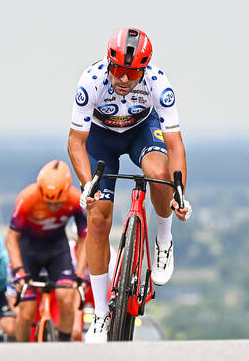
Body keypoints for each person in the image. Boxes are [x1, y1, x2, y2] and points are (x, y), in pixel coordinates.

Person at [67, 27, 192, 343]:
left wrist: (179, 194)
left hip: (141, 131)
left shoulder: (158, 86)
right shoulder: (91, 82)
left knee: (159, 175)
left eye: (132, 72)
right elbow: (75, 142)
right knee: (97, 219)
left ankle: (164, 239)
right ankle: (99, 314)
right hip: (101, 140)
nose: (123, 79)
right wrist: (87, 185)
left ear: (144, 69)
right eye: (118, 70)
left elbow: (176, 147)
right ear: (109, 63)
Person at [6, 160, 87, 342]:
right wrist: (18, 270)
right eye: (48, 203)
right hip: (28, 252)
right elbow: (11, 238)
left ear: (66, 193)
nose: (52, 207)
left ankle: (63, 346)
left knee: (66, 297)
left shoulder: (75, 200)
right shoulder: (27, 198)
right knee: (26, 312)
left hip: (57, 251)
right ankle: (21, 352)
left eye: (57, 204)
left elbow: (84, 238)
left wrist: (80, 274)